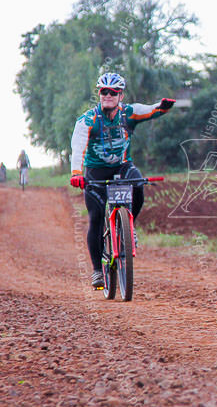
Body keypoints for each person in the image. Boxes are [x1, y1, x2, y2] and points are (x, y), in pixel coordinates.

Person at [69, 72, 175, 288]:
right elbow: (78, 146)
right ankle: (98, 271)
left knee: (138, 185)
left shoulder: (129, 113)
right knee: (96, 217)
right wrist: (76, 173)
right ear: (99, 94)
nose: (108, 95)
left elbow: (151, 110)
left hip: (123, 166)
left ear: (120, 95)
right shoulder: (88, 120)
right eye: (103, 92)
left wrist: (163, 107)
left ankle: (129, 227)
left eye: (113, 92)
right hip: (95, 172)